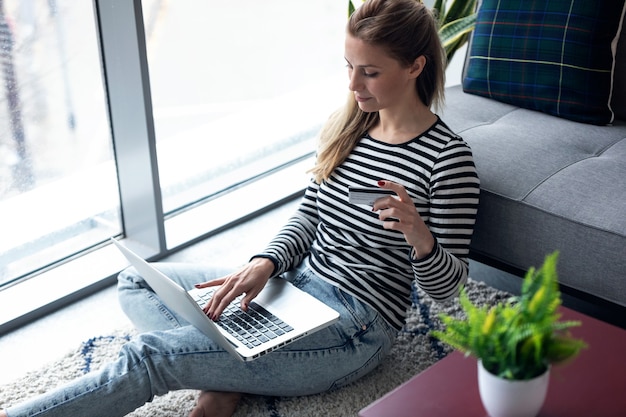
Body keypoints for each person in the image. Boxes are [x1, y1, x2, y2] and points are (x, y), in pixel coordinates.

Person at [0, 0, 479, 416]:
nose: (354, 83)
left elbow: (449, 293)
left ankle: (227, 365)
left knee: (151, 357)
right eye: (348, 65)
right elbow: (311, 214)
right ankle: (235, 369)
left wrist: (419, 236)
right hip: (294, 288)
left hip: (356, 326)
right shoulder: (352, 125)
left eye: (370, 72)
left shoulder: (446, 159)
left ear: (416, 66)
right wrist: (263, 263)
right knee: (138, 282)